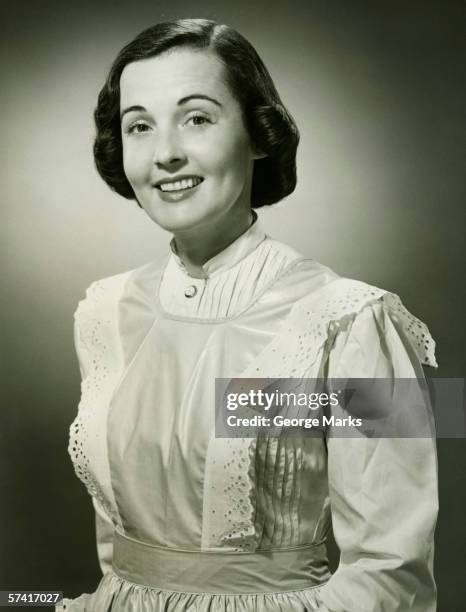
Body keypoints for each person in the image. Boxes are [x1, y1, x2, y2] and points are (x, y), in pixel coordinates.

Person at [59, 18, 438, 612]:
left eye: (198, 118)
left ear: (259, 134)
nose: (166, 154)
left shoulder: (352, 322)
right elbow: (119, 545)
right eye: (139, 126)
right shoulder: (102, 314)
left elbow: (391, 571)